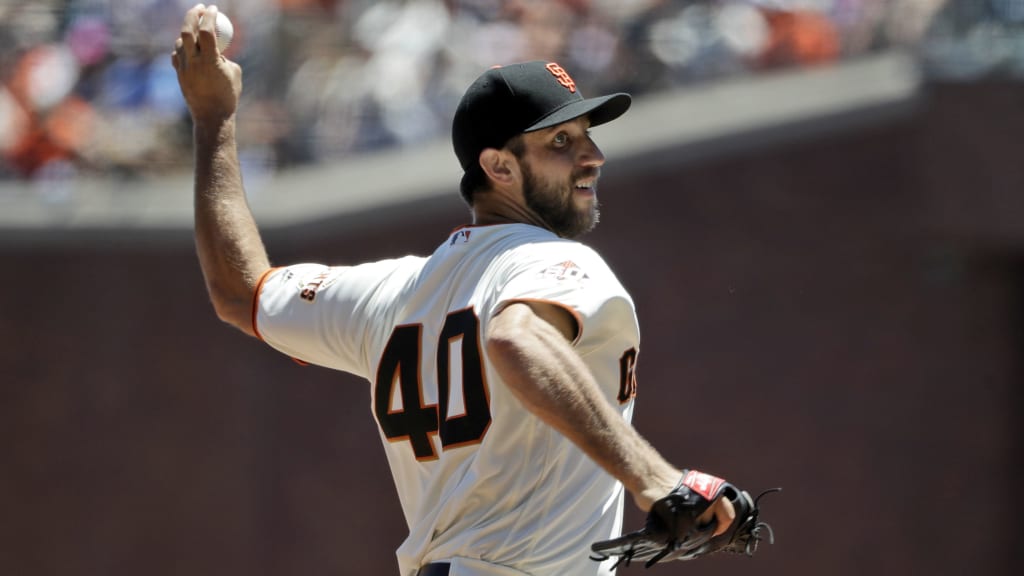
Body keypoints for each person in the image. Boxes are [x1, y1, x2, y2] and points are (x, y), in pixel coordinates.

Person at [172, 5, 736, 576]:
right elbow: (516, 338)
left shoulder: (391, 292)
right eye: (561, 141)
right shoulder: (553, 259)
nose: (592, 156)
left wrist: (213, 120)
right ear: (498, 166)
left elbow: (239, 292)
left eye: (586, 137)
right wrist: (659, 482)